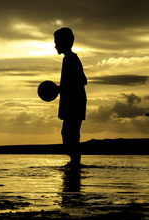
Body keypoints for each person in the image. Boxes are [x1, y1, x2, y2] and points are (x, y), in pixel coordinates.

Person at [54, 27, 87, 168]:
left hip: (75, 102)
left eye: (57, 42)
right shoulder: (68, 59)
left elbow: (83, 80)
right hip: (72, 102)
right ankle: (74, 163)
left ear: (65, 42)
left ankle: (75, 164)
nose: (55, 46)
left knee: (70, 134)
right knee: (69, 133)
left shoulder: (71, 59)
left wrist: (60, 88)